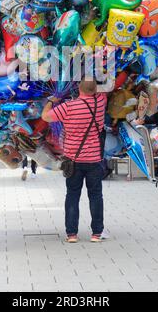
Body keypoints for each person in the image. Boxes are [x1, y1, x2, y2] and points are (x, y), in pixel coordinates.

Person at [42, 79, 108, 243]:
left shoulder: (68, 107)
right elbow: (105, 89)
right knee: (95, 196)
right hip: (94, 159)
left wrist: (51, 101)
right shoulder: (100, 102)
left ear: (78, 88)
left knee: (72, 196)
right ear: (95, 89)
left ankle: (72, 234)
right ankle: (96, 233)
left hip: (73, 160)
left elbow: (45, 117)